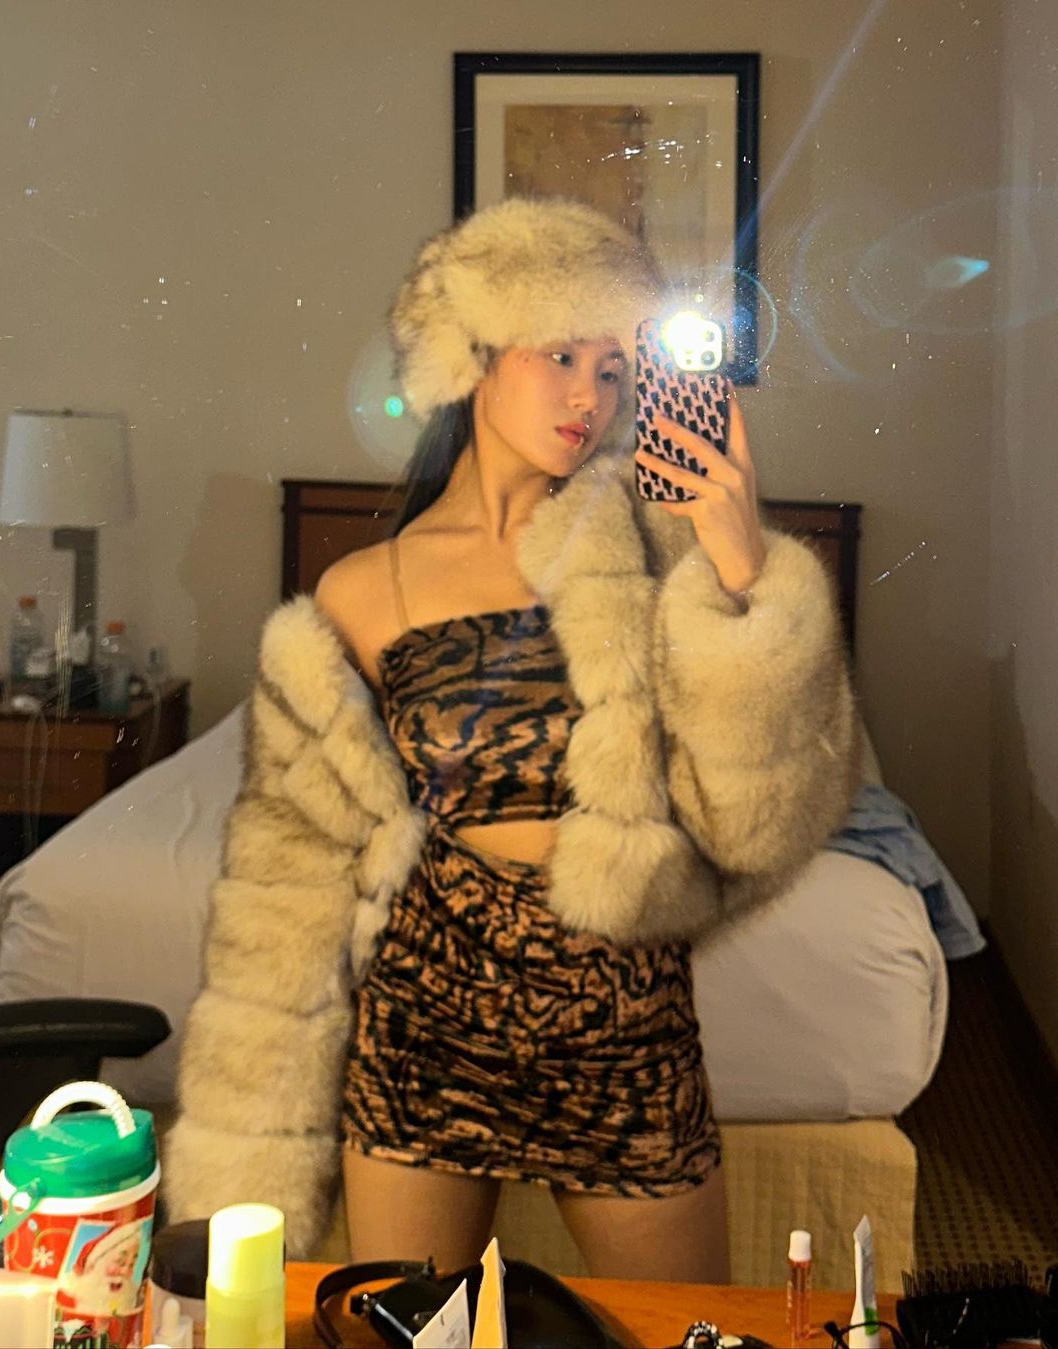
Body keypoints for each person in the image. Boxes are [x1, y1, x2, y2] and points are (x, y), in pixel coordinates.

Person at [165, 197, 861, 1282]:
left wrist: (743, 570)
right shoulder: (362, 588)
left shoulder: (658, 548)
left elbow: (754, 825)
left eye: (615, 370)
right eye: (562, 356)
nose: (592, 397)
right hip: (427, 1015)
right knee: (410, 1335)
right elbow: (291, 879)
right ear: (474, 354)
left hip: (622, 1018)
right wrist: (243, 1162)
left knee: (681, 1337)